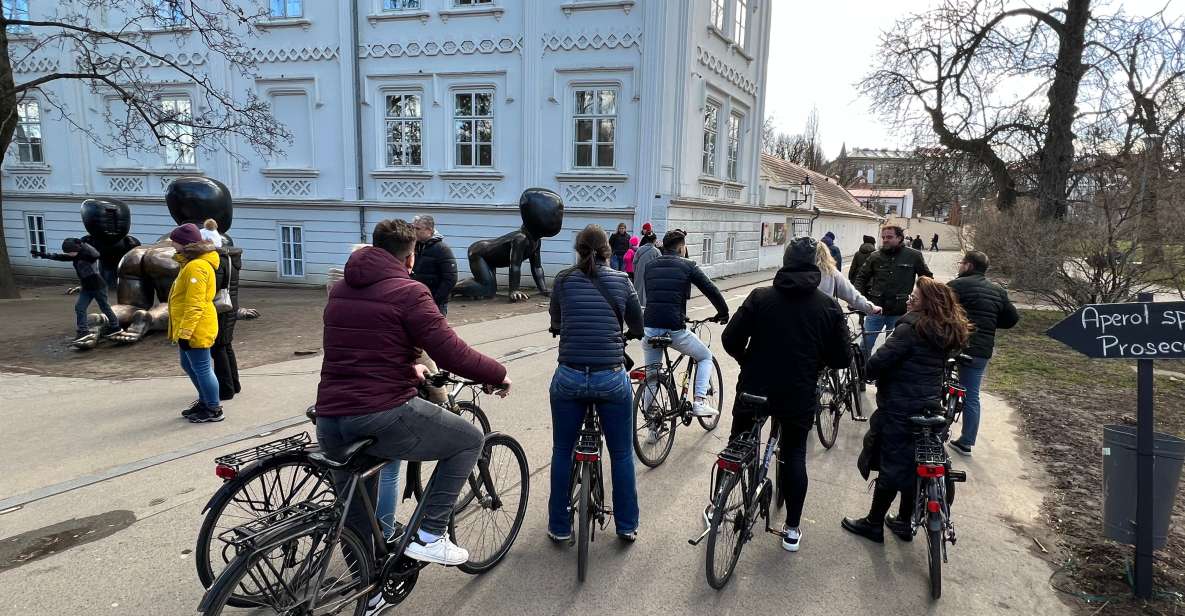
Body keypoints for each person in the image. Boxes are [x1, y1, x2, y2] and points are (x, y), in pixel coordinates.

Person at [314, 219, 511, 572]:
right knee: (469, 439)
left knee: (357, 518)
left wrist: (407, 367)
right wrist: (497, 374)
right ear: (411, 256)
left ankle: (367, 592)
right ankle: (430, 534)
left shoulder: (341, 289)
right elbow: (451, 352)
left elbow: (359, 350)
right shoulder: (410, 291)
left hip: (331, 418)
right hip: (381, 413)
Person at [722, 237, 852, 552]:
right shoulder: (828, 307)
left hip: (754, 386)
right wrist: (818, 362)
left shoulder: (760, 297)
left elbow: (729, 339)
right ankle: (792, 529)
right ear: (816, 267)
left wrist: (747, 360)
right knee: (794, 454)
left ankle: (720, 505)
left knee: (738, 443)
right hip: (797, 391)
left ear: (785, 261)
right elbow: (843, 359)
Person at [842, 277, 971, 543]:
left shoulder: (910, 327)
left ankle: (874, 523)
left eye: (914, 297)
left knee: (891, 464)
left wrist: (868, 372)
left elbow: (880, 361)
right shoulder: (946, 328)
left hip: (900, 405)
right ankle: (903, 520)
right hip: (930, 404)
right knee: (917, 460)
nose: (909, 300)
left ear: (928, 302)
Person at [546, 225, 643, 542]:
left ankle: (559, 527)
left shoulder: (563, 280)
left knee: (562, 450)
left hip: (570, 375)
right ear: (608, 252)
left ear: (577, 250)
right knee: (622, 454)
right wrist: (630, 334)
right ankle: (627, 526)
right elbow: (637, 324)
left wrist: (561, 328)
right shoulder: (622, 280)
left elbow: (556, 321)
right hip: (611, 378)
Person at [641, 229, 730, 417]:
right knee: (705, 356)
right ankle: (699, 401)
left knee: (652, 376)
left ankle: (651, 421)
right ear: (681, 247)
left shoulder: (650, 266)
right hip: (673, 329)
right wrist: (723, 312)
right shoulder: (688, 265)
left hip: (649, 327)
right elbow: (710, 289)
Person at [947, 251, 1019, 456]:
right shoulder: (998, 290)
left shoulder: (956, 286)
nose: (960, 266)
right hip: (981, 350)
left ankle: (930, 427)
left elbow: (939, 311)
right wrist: (990, 323)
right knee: (972, 395)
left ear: (968, 266)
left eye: (962, 263)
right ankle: (966, 441)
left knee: (932, 379)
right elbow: (1012, 319)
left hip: (955, 344)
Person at [166, 223, 224, 423]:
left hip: (196, 326)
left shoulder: (196, 266)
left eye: (174, 241)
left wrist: (185, 332)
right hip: (190, 325)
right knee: (189, 364)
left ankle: (214, 408)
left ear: (184, 243)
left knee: (202, 367)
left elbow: (195, 303)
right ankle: (205, 400)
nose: (172, 245)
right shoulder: (190, 264)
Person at [855, 225, 933, 353]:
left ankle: (888, 373)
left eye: (889, 237)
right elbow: (861, 278)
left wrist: (921, 301)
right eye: (883, 237)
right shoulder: (875, 256)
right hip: (876, 310)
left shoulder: (914, 256)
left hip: (900, 311)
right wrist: (858, 300)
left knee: (894, 349)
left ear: (900, 238)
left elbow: (927, 279)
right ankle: (864, 372)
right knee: (865, 346)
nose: (885, 240)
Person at [32, 238, 123, 343]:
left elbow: (96, 254)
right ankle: (83, 331)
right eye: (68, 253)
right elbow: (60, 257)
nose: (69, 254)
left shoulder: (88, 256)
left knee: (104, 307)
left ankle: (115, 327)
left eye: (71, 252)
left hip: (98, 286)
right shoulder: (75, 256)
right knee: (79, 307)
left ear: (77, 248)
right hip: (86, 287)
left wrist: (82, 244)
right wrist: (42, 255)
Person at [815, 242, 880, 316]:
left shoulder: (798, 272)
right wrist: (871, 308)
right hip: (824, 318)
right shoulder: (831, 273)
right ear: (825, 254)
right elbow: (853, 296)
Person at [410, 215, 458, 316]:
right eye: (413, 228)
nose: (414, 231)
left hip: (435, 303)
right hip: (416, 301)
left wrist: (435, 300)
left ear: (429, 230)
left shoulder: (442, 249)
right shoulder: (414, 246)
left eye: (417, 228)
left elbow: (450, 278)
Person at [631, 234, 661, 307]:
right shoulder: (656, 251)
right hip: (651, 274)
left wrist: (636, 272)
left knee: (638, 290)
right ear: (654, 240)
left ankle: (638, 307)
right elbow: (660, 263)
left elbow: (634, 262)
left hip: (639, 272)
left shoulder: (639, 249)